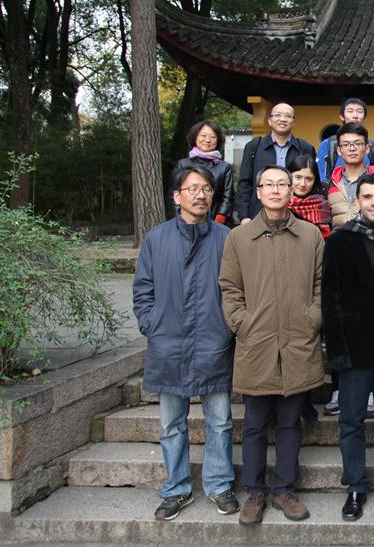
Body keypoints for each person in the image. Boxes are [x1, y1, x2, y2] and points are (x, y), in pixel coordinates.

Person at [219, 165, 325, 525]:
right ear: (259, 192)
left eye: (283, 183)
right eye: (269, 184)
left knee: (290, 422)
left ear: (292, 190)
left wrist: (313, 317)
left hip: (298, 338)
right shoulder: (240, 237)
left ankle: (284, 489)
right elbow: (229, 287)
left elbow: (320, 283)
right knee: (254, 422)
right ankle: (255, 491)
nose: (277, 189)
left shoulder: (310, 236)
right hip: (257, 340)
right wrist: (242, 323)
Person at [134, 165, 237, 521]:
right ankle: (176, 489)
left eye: (207, 189)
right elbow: (142, 290)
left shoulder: (226, 238)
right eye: (192, 189)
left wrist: (228, 328)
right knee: (171, 424)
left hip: (214, 340)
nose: (201, 195)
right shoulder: (156, 239)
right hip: (168, 344)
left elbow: (238, 290)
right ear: (176, 196)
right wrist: (152, 325)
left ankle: (220, 485)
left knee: (220, 420)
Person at [323, 174, 374, 521]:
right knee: (351, 421)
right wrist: (336, 352)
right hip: (353, 348)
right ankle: (356, 486)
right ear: (356, 201)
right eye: (367, 196)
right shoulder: (340, 241)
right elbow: (330, 298)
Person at [236, 102, 316, 224]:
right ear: (269, 120)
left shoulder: (305, 148)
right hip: (259, 214)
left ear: (293, 122)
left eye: (288, 116)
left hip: (296, 216)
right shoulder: (254, 146)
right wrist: (244, 216)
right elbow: (244, 183)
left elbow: (312, 182)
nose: (283, 119)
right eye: (278, 115)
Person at [326, 123, 374, 230]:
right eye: (346, 145)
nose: (352, 149)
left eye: (357, 143)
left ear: (367, 148)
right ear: (339, 151)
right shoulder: (332, 184)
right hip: (338, 243)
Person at [175, 120, 234, 224]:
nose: (207, 140)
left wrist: (219, 219)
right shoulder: (183, 164)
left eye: (212, 137)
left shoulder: (225, 167)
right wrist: (181, 217)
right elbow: (174, 193)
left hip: (216, 222)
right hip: (186, 221)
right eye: (203, 135)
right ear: (195, 137)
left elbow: (228, 196)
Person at [316, 97, 374, 181]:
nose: (355, 116)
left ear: (365, 117)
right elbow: (322, 177)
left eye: (359, 112)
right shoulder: (328, 145)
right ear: (342, 116)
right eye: (350, 111)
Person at [287, 154, 332, 238]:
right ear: (288, 176)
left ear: (315, 180)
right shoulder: (279, 203)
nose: (303, 184)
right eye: (298, 177)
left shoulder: (322, 206)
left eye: (309, 179)